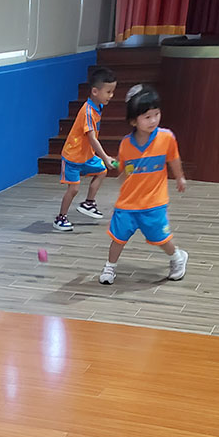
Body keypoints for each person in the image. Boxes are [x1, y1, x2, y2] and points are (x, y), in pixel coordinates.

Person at [99, 84, 187, 285]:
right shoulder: (125, 143)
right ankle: (110, 267)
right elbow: (126, 168)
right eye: (147, 117)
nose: (153, 120)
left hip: (154, 202)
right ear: (133, 121)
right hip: (127, 203)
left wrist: (180, 177)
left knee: (160, 238)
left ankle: (177, 257)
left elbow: (173, 158)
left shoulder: (166, 138)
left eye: (157, 114)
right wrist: (118, 168)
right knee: (118, 237)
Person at [53, 66, 117, 232]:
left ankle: (88, 203)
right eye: (108, 92)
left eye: (112, 91)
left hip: (86, 155)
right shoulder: (87, 111)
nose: (111, 95)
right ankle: (61, 218)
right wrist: (105, 157)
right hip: (73, 157)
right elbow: (92, 138)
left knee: (101, 171)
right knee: (73, 189)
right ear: (95, 91)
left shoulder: (97, 107)